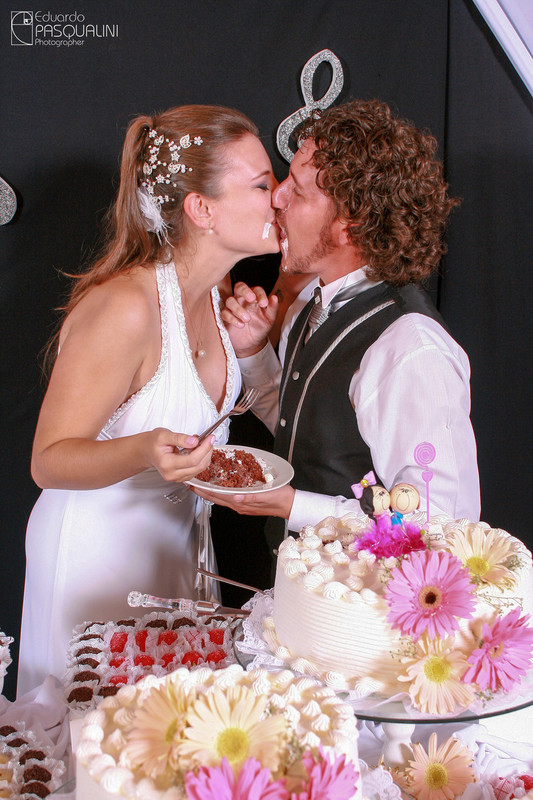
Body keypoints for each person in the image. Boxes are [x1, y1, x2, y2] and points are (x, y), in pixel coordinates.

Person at [17, 105, 279, 696]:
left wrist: (250, 350)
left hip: (176, 553)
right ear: (202, 210)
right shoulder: (127, 308)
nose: (279, 198)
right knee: (89, 740)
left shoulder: (218, 296)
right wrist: (143, 450)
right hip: (94, 561)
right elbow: (48, 462)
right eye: (262, 185)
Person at [193, 99, 480, 564]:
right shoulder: (312, 302)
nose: (276, 198)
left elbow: (440, 524)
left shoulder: (411, 350)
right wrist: (252, 352)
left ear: (352, 226)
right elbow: (304, 428)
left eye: (299, 192)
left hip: (366, 604)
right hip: (299, 589)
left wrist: (292, 506)